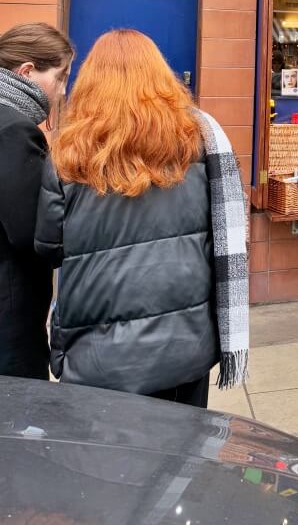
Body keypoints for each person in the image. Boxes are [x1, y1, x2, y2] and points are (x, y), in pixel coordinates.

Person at [35, 29, 249, 406]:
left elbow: (49, 247)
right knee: (183, 456)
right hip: (184, 345)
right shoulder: (198, 139)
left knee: (101, 461)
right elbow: (221, 237)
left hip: (97, 353)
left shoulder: (66, 152)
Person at [0, 23, 74, 380]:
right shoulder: (13, 129)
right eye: (59, 78)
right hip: (8, 318)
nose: (62, 91)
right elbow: (31, 232)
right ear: (27, 71)